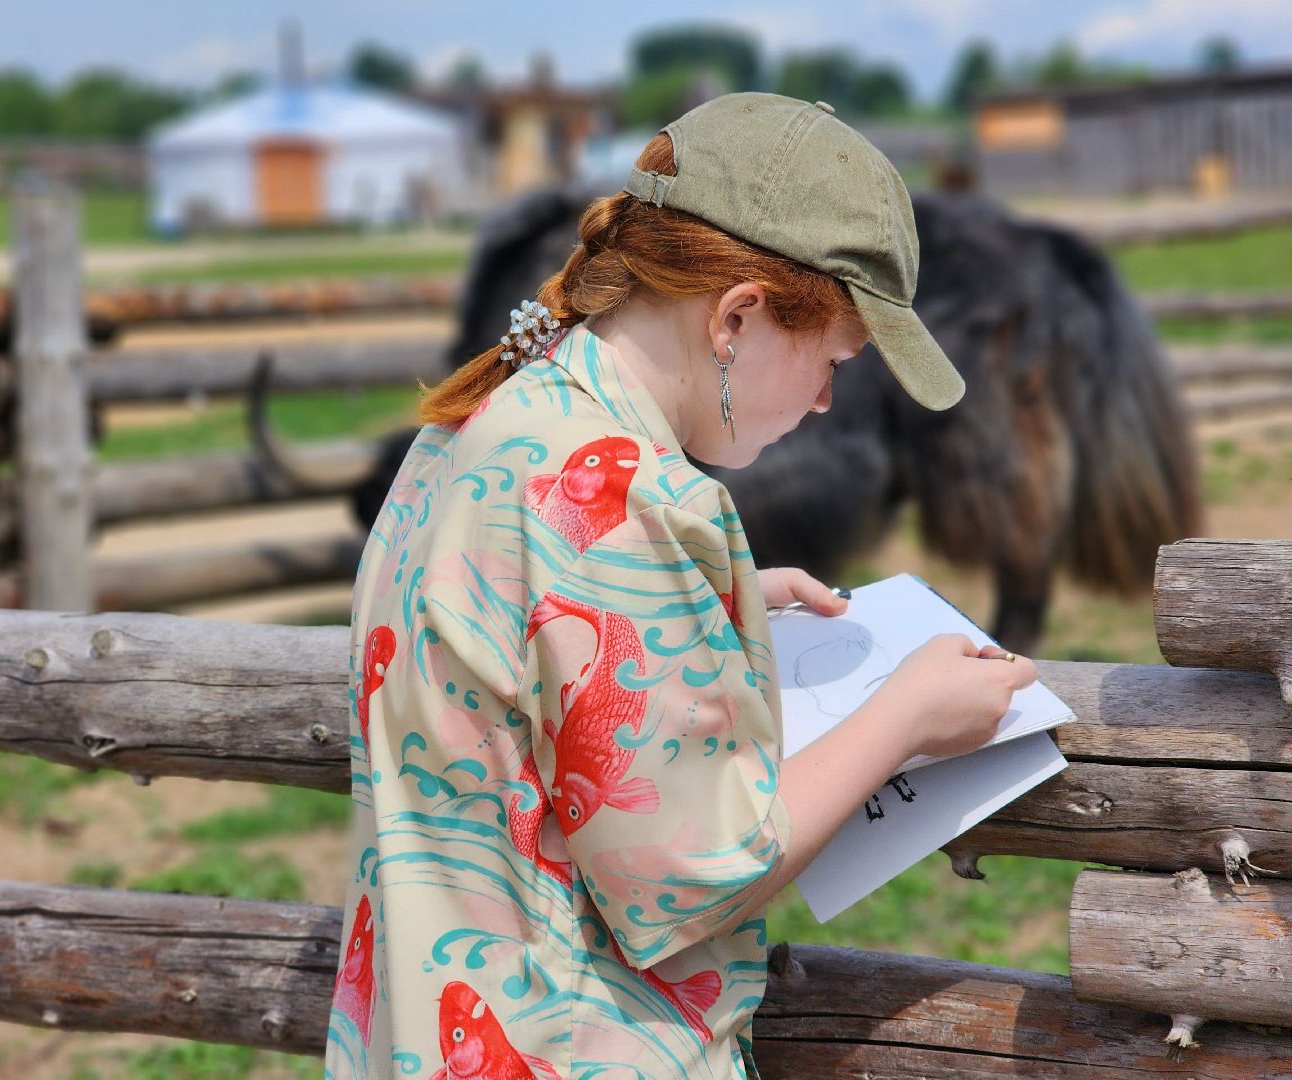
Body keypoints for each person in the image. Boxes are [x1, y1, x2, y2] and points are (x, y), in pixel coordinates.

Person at [325, 92, 1038, 1080]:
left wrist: (704, 604)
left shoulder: (478, 425)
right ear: (736, 317)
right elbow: (689, 879)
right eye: (834, 359)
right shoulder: (627, 504)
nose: (827, 401)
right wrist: (906, 717)